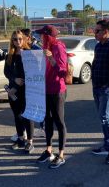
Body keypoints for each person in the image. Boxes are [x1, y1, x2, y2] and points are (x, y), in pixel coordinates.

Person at [35, 25, 68, 169]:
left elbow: (62, 72)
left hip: (57, 90)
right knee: (47, 120)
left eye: (42, 35)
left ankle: (61, 154)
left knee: (59, 122)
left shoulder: (58, 47)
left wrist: (51, 59)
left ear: (48, 36)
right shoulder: (44, 48)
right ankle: (49, 150)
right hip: (45, 89)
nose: (40, 37)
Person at [91, 20, 109, 164]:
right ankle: (107, 145)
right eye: (94, 30)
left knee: (105, 116)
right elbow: (96, 63)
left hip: (108, 88)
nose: (94, 33)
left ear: (106, 32)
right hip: (96, 86)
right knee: (101, 117)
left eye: (97, 31)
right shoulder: (98, 46)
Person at [4, 30, 35, 153]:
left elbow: (31, 72)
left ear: (25, 39)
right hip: (12, 91)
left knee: (27, 116)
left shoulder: (29, 54)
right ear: (12, 41)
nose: (18, 41)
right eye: (15, 39)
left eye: (20, 39)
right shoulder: (9, 55)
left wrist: (18, 82)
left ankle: (30, 141)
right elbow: (7, 72)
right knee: (17, 115)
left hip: (26, 89)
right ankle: (20, 139)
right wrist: (13, 80)